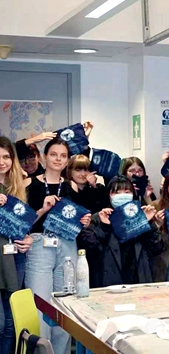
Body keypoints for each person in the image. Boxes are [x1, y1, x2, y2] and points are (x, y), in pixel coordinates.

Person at [25, 137, 91, 354]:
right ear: (44, 157)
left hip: (68, 245)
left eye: (63, 155)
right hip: (39, 245)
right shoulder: (30, 184)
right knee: (40, 304)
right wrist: (43, 210)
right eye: (54, 154)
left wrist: (84, 221)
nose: (58, 159)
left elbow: (78, 218)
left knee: (65, 303)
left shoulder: (71, 185)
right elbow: (23, 224)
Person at [78, 176, 163, 288]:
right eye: (117, 192)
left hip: (139, 281)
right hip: (108, 284)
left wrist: (148, 223)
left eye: (127, 192)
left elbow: (156, 248)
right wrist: (104, 227)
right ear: (109, 194)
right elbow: (89, 249)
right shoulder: (98, 217)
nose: (122, 195)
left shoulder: (139, 216)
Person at [0, 137, 32, 354]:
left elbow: (23, 224)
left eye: (6, 156)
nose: (2, 162)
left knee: (11, 323)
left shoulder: (17, 186)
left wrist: (28, 239)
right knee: (1, 323)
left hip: (15, 257)